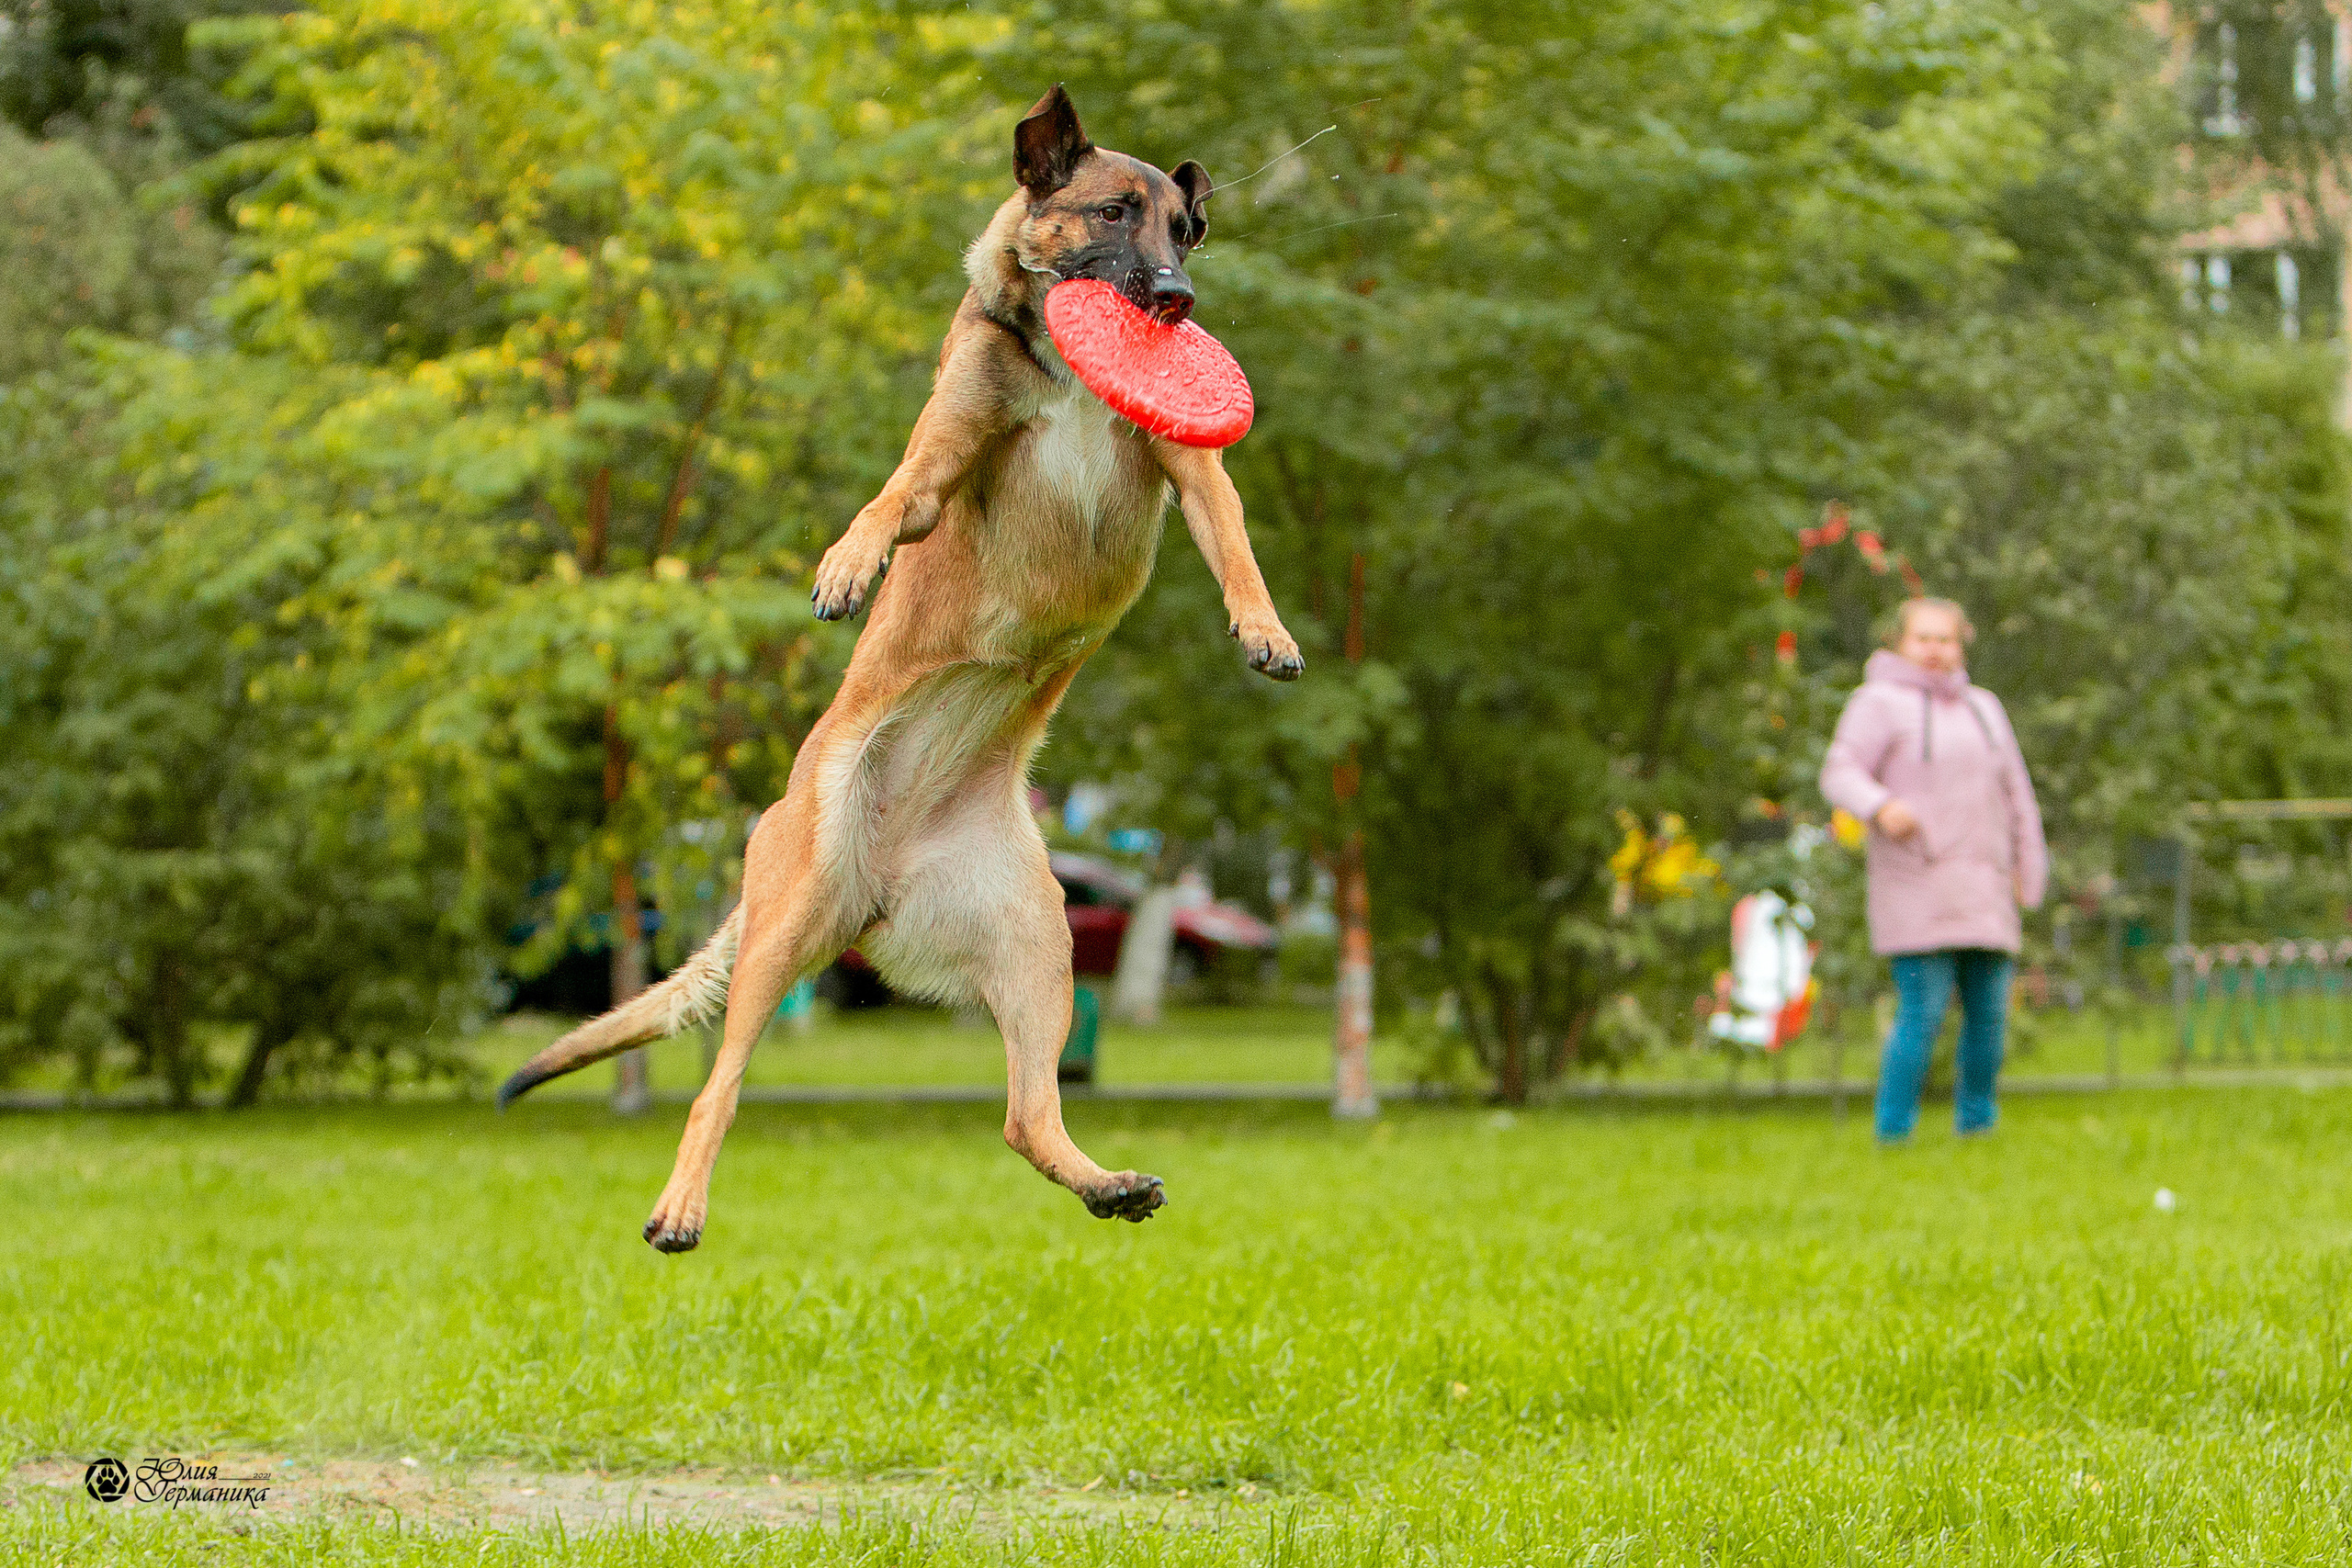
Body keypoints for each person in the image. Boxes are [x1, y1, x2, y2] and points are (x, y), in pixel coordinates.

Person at [1820, 597, 2046, 1142]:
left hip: (1984, 884)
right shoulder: (1877, 704)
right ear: (1900, 641)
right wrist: (1880, 805)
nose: (1935, 650)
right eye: (1924, 638)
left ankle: (1977, 1125)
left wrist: (2028, 866)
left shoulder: (1985, 708)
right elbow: (1839, 771)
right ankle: (1893, 1131)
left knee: (1989, 1017)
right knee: (1922, 1011)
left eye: (1946, 639)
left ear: (1962, 643)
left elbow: (2016, 792)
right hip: (1917, 883)